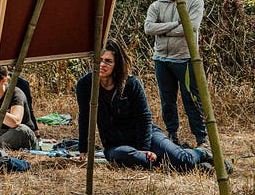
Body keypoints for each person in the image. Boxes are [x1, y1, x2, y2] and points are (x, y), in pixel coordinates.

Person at [75, 39, 221, 172]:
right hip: (117, 145)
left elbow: (144, 117)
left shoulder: (131, 83)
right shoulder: (85, 85)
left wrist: (143, 149)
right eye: (99, 60)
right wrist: (83, 149)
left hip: (146, 136)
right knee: (124, 156)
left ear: (117, 64)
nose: (102, 65)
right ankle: (178, 166)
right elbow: (84, 117)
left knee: (180, 160)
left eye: (108, 61)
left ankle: (201, 153)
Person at [144, 0, 206, 147]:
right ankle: (172, 135)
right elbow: (148, 28)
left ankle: (201, 138)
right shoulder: (157, 5)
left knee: (192, 99)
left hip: (185, 58)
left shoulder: (194, 1)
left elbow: (191, 27)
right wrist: (175, 24)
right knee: (167, 99)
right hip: (162, 59)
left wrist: (162, 30)